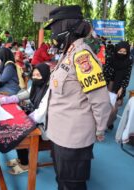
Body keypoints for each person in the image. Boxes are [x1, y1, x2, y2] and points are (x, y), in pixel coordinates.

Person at [44, 5, 112, 190]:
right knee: (62, 180)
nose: (54, 33)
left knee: (71, 185)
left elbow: (100, 100)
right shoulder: (69, 53)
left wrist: (100, 129)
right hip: (59, 134)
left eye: (56, 27)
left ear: (68, 27)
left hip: (73, 138)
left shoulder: (83, 56)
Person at [0, 63, 51, 175]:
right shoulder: (37, 86)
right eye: (34, 75)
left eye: (39, 75)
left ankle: (25, 164)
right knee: (16, 124)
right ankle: (22, 158)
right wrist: (7, 99)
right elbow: (26, 93)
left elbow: (40, 114)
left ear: (46, 76)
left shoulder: (49, 90)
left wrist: (24, 120)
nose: (36, 78)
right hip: (36, 118)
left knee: (19, 132)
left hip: (45, 125)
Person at [103, 41, 133, 130]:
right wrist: (105, 86)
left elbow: (127, 77)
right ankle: (103, 124)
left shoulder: (128, 62)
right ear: (116, 50)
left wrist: (122, 88)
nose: (122, 53)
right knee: (105, 105)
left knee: (114, 109)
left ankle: (110, 121)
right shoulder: (110, 58)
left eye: (124, 52)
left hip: (119, 87)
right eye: (120, 51)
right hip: (108, 84)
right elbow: (105, 73)